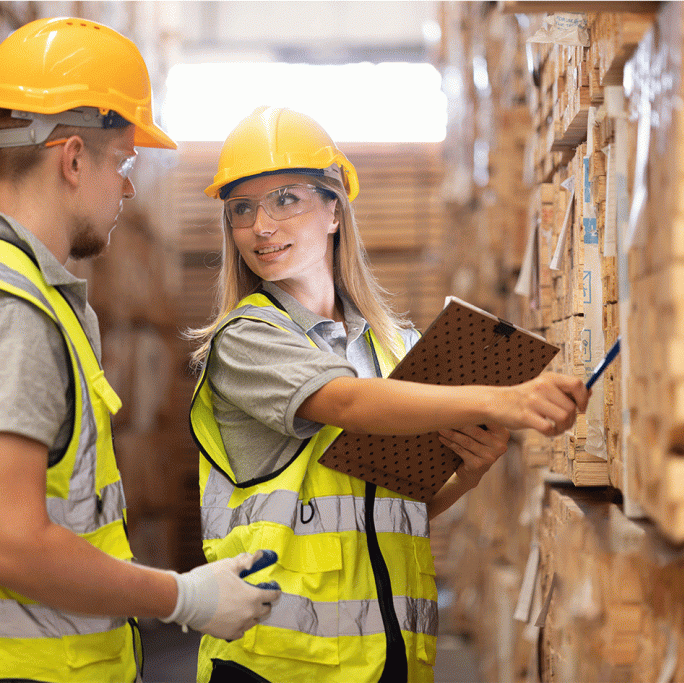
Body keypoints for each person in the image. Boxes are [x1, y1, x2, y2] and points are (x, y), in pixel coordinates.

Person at [188, 105, 590, 683]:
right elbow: (346, 402)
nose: (261, 226)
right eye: (241, 210)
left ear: (334, 210)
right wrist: (497, 400)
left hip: (387, 658)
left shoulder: (395, 347)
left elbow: (391, 510)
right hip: (277, 665)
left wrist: (466, 475)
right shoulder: (246, 338)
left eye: (285, 200)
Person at [0, 18, 280, 683]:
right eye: (123, 162)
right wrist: (185, 597)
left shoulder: (32, 295)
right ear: (72, 159)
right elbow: (11, 539)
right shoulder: (19, 311)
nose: (128, 187)